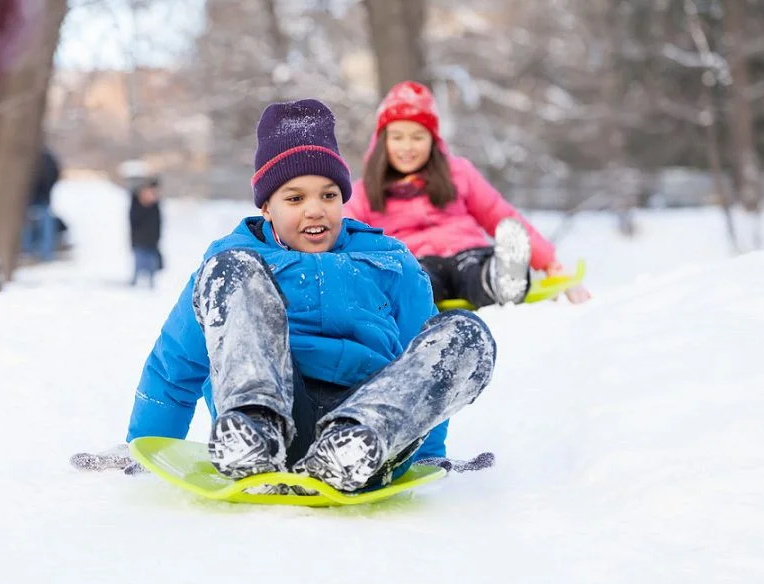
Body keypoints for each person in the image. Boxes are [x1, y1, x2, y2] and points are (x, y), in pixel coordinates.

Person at [107, 98, 498, 494]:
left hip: (370, 426)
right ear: (266, 207)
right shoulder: (233, 264)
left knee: (466, 334)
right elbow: (176, 363)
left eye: (328, 196)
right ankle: (253, 431)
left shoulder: (390, 260)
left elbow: (422, 361)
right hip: (273, 417)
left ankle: (352, 445)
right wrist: (143, 445)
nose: (315, 210)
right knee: (230, 269)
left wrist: (428, 450)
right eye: (295, 199)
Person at [345, 81, 591, 308]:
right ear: (382, 142)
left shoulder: (457, 172)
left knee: (476, 272)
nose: (407, 147)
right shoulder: (365, 190)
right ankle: (408, 299)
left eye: (418, 137)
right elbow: (343, 230)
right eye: (397, 137)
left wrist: (548, 262)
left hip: (468, 251)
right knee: (418, 281)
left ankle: (501, 279)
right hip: (414, 261)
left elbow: (499, 214)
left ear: (433, 140)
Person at [22, 147, 61, 262]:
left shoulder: (44, 158)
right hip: (37, 198)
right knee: (39, 225)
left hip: (39, 197)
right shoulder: (44, 158)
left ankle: (36, 252)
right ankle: (41, 252)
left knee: (36, 225)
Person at [128, 176, 163, 287]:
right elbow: (134, 220)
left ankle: (151, 283)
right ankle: (134, 283)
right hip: (139, 239)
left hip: (152, 240)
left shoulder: (155, 205)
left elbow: (158, 222)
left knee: (152, 265)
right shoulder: (137, 202)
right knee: (139, 263)